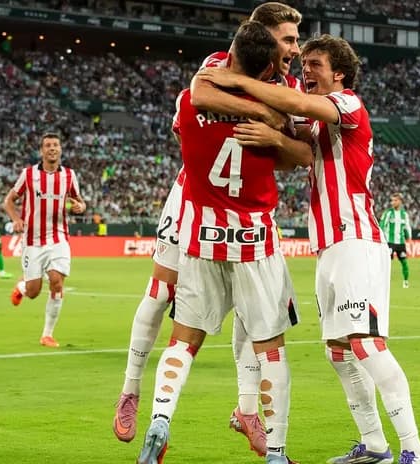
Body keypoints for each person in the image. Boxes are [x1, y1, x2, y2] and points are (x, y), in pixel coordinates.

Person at [198, 34, 420, 464]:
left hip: (355, 239)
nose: (305, 71)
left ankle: (415, 449)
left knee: (366, 345)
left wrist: (239, 80)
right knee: (339, 351)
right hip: (329, 246)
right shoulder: (316, 122)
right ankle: (376, 445)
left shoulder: (348, 104)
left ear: (338, 73)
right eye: (302, 63)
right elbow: (291, 135)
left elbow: (301, 107)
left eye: (315, 64)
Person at [115, 2, 306, 454]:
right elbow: (200, 96)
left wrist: (275, 133)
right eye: (289, 40)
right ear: (261, 38)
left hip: (226, 207)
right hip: (193, 197)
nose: (295, 50)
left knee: (245, 313)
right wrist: (264, 113)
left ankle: (245, 410)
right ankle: (130, 391)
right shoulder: (219, 65)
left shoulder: (285, 83)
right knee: (161, 292)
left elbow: (299, 152)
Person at [5, 133, 86, 347]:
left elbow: (80, 201)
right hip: (32, 240)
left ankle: (47, 334)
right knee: (33, 291)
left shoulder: (69, 175)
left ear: (60, 149)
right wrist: (16, 219)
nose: (52, 148)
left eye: (56, 145)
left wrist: (80, 207)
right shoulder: (29, 174)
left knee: (57, 281)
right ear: (41, 151)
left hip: (59, 238)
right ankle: (22, 287)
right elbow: (9, 201)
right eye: (48, 145)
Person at [380, 193, 413, 288]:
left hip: (401, 243)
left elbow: (407, 227)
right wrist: (382, 239)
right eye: (392, 200)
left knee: (404, 262)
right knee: (386, 262)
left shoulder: (404, 214)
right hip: (389, 242)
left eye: (395, 200)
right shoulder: (388, 213)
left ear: (400, 201)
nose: (392, 202)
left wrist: (409, 238)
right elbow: (382, 225)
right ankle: (383, 282)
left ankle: (406, 281)